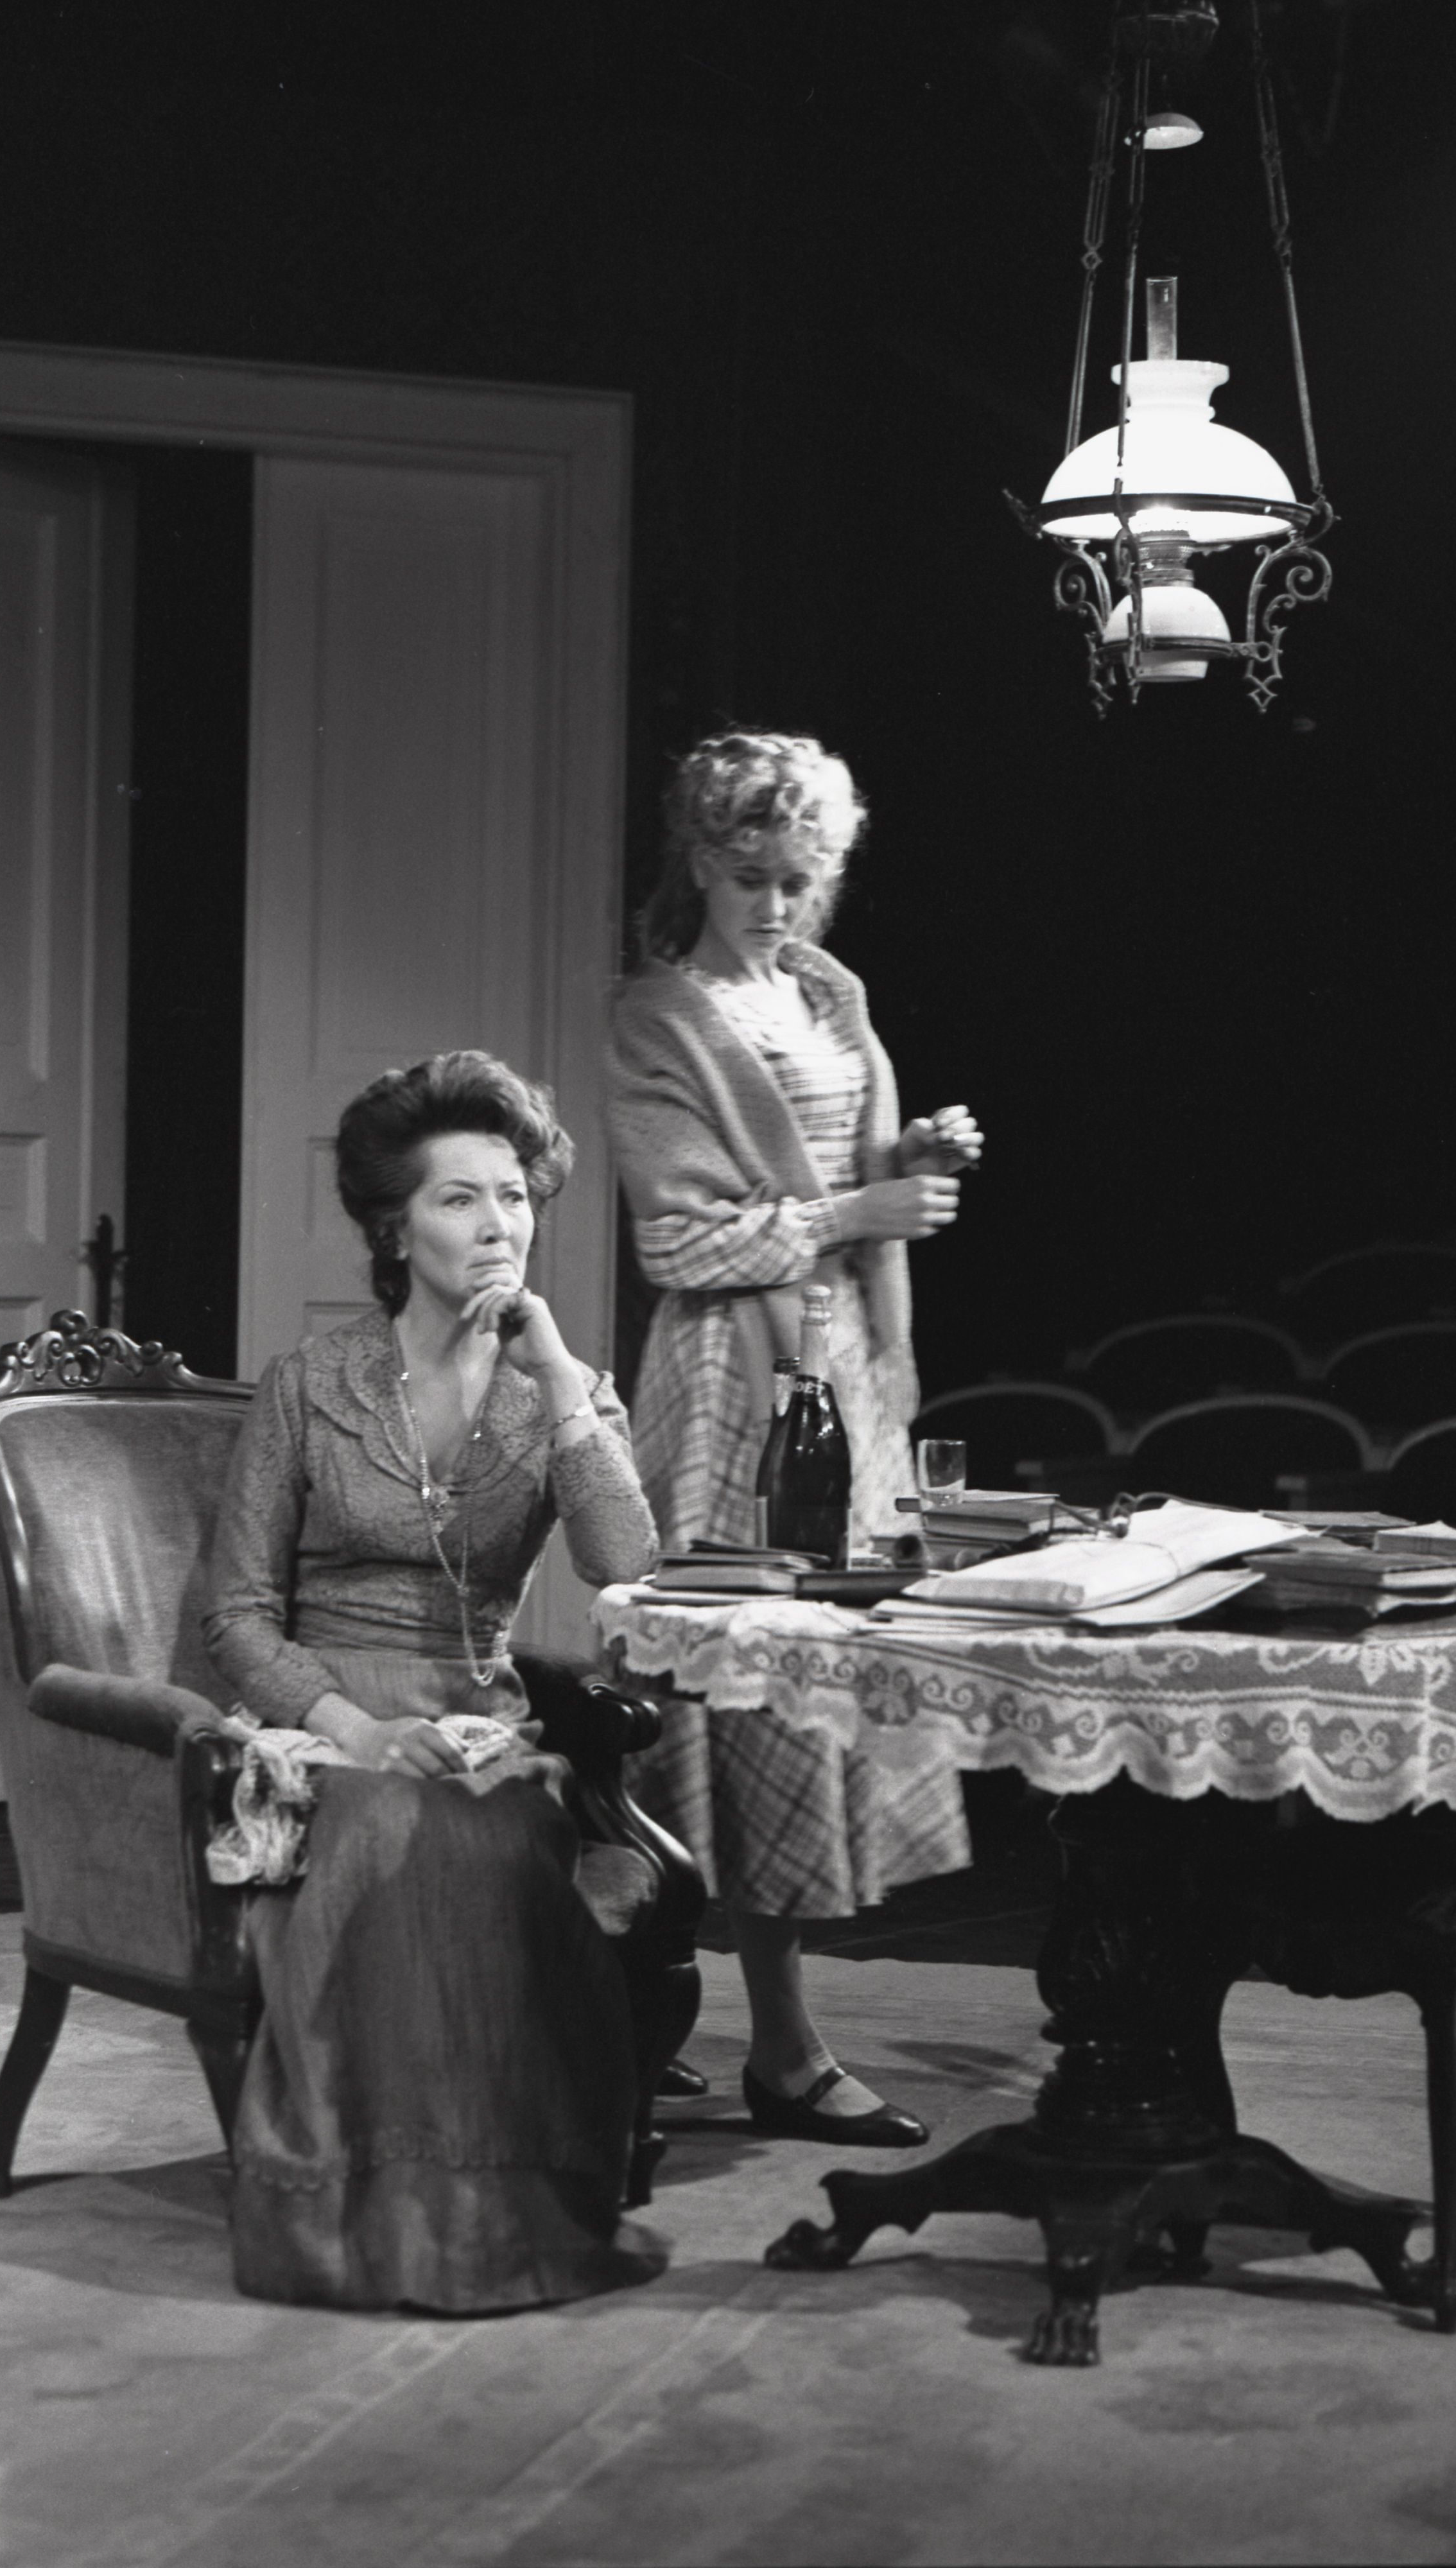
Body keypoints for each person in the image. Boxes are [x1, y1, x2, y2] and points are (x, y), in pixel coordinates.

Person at [204, 1048, 664, 2312]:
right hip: (321, 1715)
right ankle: (369, 2210)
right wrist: (351, 1730)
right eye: (460, 1198)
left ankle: (499, 2204)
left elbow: (625, 1566)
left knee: (483, 1833)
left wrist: (558, 1375)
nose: (498, 1223)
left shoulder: (563, 1395)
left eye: (514, 1195)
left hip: (479, 1716)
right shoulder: (308, 1386)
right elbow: (234, 1619)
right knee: (396, 1825)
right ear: (393, 1228)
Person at [609, 729, 983, 2149]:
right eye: (751, 875)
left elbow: (841, 1175)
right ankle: (769, 2041)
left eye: (801, 878)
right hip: (732, 1383)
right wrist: (857, 1211)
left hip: (840, 1369)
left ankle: (686, 2018)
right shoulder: (662, 1015)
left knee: (811, 1686)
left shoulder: (827, 992)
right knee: (737, 1691)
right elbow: (679, 1241)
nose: (777, 904)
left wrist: (908, 1163)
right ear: (701, 863)